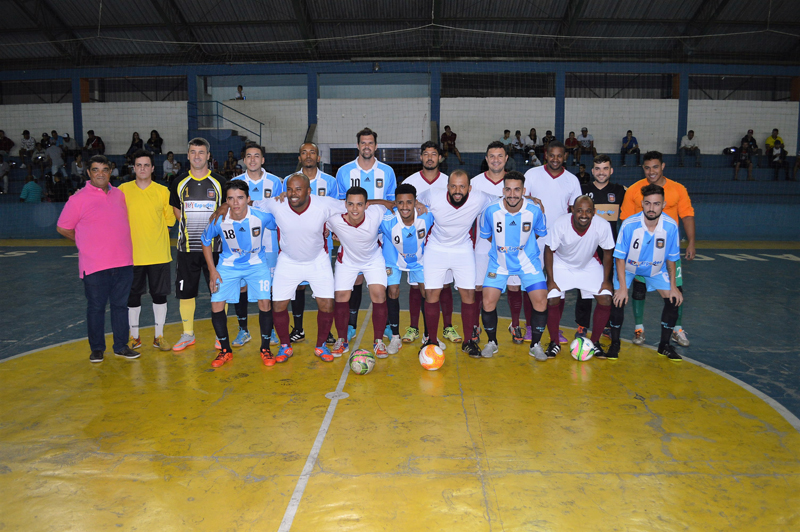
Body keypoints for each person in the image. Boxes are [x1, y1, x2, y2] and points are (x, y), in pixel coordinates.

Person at [251, 173, 349, 363]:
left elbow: (353, 204)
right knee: (278, 304)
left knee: (327, 304)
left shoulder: (324, 203)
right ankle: (285, 346)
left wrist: (387, 204)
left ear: (308, 191)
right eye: (289, 189)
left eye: (298, 189)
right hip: (288, 261)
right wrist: (224, 206)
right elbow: (250, 204)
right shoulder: (276, 204)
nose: (293, 193)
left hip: (317, 260)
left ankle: (320, 346)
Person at [56, 155, 139, 363]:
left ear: (110, 172)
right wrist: (84, 241)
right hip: (94, 265)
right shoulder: (78, 199)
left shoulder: (119, 195)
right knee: (96, 308)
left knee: (120, 306)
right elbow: (62, 227)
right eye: (95, 170)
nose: (100, 173)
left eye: (104, 169)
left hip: (123, 263)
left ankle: (121, 346)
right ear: (88, 173)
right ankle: (97, 349)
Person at [417, 169, 499, 358]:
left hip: (462, 248)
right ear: (447, 186)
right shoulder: (433, 195)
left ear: (470, 188)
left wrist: (530, 199)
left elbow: (505, 198)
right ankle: (431, 340)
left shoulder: (479, 198)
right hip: (435, 248)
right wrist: (417, 203)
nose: (457, 190)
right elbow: (412, 199)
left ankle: (469, 341)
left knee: (468, 294)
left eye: (462, 186)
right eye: (453, 186)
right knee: (431, 294)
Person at [620, 151, 695, 347]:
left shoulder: (678, 189)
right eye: (647, 167)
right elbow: (625, 220)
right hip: (641, 252)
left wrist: (692, 242)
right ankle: (639, 328)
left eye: (655, 167)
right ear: (642, 168)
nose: (651, 171)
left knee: (675, 289)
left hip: (667, 250)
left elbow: (687, 216)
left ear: (663, 166)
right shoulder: (634, 190)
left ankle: (676, 329)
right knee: (638, 289)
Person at [202, 180, 277, 367]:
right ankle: (225, 351)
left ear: (248, 199)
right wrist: (212, 270)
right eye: (231, 199)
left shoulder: (261, 217)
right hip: (228, 265)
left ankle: (265, 348)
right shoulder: (219, 219)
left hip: (256, 264)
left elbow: (283, 224)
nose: (236, 203)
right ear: (225, 201)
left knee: (265, 302)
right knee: (217, 304)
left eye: (240, 198)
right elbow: (205, 241)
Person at [478, 171, 549, 360]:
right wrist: (504, 249)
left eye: (517, 190)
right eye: (508, 189)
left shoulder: (534, 210)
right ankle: (492, 342)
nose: (512, 194)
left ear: (524, 191)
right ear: (503, 190)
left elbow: (539, 233)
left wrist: (520, 249)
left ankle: (535, 345)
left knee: (541, 300)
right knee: (487, 301)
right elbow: (487, 235)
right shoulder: (491, 210)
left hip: (527, 263)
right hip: (499, 263)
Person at [609, 184, 683, 361]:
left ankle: (664, 345)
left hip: (656, 270)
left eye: (656, 204)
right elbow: (619, 258)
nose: (651, 208)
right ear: (642, 203)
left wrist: (674, 287)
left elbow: (671, 259)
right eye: (648, 203)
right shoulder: (629, 225)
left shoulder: (671, 227)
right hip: (628, 268)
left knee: (674, 299)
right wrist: (622, 288)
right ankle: (615, 343)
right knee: (618, 299)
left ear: (663, 204)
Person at [336, 128, 397, 341]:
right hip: (355, 235)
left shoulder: (387, 172)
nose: (367, 146)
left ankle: (386, 325)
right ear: (358, 146)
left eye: (370, 143)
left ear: (376, 146)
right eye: (363, 143)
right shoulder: (344, 171)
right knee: (356, 281)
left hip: (382, 236)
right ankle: (350, 325)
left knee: (385, 283)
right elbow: (338, 205)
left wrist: (373, 204)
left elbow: (392, 205)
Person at [169, 137, 225, 352]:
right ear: (188, 155)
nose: (197, 156)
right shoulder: (179, 182)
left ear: (208, 156)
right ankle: (187, 334)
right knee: (186, 292)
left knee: (218, 291)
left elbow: (225, 211)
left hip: (216, 248)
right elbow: (177, 211)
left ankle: (221, 335)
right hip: (187, 249)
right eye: (193, 152)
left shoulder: (220, 182)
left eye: (201, 152)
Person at [523, 140, 582, 345]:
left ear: (565, 157)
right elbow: (519, 197)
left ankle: (554, 330)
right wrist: (532, 198)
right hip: (534, 238)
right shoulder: (532, 174)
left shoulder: (572, 180)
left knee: (559, 284)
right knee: (531, 283)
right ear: (545, 155)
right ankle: (530, 327)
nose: (555, 159)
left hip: (560, 240)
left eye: (559, 155)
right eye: (552, 155)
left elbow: (576, 211)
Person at [400, 141, 458, 345]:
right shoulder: (410, 181)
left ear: (440, 157)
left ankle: (448, 326)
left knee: (444, 285)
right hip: (417, 244)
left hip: (444, 241)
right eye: (426, 154)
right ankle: (414, 327)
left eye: (434, 154)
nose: (430, 157)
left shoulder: (450, 181)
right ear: (421, 157)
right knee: (416, 287)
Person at [119, 150, 176, 353]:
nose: (142, 168)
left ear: (152, 168)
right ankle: (134, 338)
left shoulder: (163, 191)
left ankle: (158, 336)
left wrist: (154, 236)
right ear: (133, 168)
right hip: (131, 256)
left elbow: (170, 221)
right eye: (139, 165)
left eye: (146, 165)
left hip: (158, 255)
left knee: (159, 296)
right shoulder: (122, 190)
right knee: (132, 298)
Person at [543, 196, 615, 358]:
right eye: (580, 210)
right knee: (552, 298)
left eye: (588, 211)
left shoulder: (602, 225)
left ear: (594, 212)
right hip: (561, 263)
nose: (584, 214)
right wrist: (551, 280)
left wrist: (606, 281)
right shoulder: (561, 223)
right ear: (572, 211)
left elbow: (608, 253)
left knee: (605, 298)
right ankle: (554, 342)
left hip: (588, 264)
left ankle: (595, 342)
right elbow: (549, 250)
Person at [328, 187, 395, 358]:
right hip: (348, 261)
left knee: (379, 294)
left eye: (359, 204)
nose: (354, 209)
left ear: (367, 205)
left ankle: (378, 341)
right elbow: (320, 223)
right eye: (350, 204)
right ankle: (342, 340)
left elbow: (392, 205)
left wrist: (377, 202)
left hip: (373, 259)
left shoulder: (376, 213)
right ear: (345, 204)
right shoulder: (335, 219)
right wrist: (329, 232)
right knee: (341, 296)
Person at [229, 142, 284, 348]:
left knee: (267, 288)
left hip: (269, 243)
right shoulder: (235, 181)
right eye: (249, 156)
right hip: (242, 243)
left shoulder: (275, 182)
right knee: (241, 287)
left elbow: (280, 210)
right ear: (244, 160)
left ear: (263, 159)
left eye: (256, 156)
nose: (252, 159)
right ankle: (243, 330)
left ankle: (269, 330)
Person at [473, 141, 525, 345]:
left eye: (500, 156)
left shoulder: (514, 182)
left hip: (512, 246)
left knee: (514, 287)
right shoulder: (475, 182)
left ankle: (515, 323)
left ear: (506, 159)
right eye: (491, 156)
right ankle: (476, 325)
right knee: (479, 287)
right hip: (483, 245)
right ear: (486, 159)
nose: (496, 159)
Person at [287, 142, 340, 344]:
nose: (308, 156)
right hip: (296, 242)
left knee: (323, 289)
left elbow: (335, 209)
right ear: (299, 157)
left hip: (321, 244)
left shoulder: (330, 181)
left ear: (319, 157)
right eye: (304, 152)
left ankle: (326, 332)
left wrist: (331, 227)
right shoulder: (289, 181)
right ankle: (298, 329)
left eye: (312, 152)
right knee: (298, 287)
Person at [380, 183, 437, 355]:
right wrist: (384, 202)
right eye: (400, 203)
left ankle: (428, 336)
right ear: (395, 203)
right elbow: (366, 206)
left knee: (427, 292)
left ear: (415, 202)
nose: (405, 207)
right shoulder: (386, 220)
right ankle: (395, 336)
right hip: (393, 258)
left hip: (418, 260)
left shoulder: (426, 215)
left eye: (409, 202)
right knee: (393, 291)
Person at [574, 154, 627, 339]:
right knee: (584, 287)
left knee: (607, 286)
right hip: (586, 247)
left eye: (605, 168)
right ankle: (582, 325)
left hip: (608, 248)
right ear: (592, 170)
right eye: (597, 168)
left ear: (611, 170)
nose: (601, 172)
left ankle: (606, 324)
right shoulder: (582, 190)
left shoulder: (620, 191)